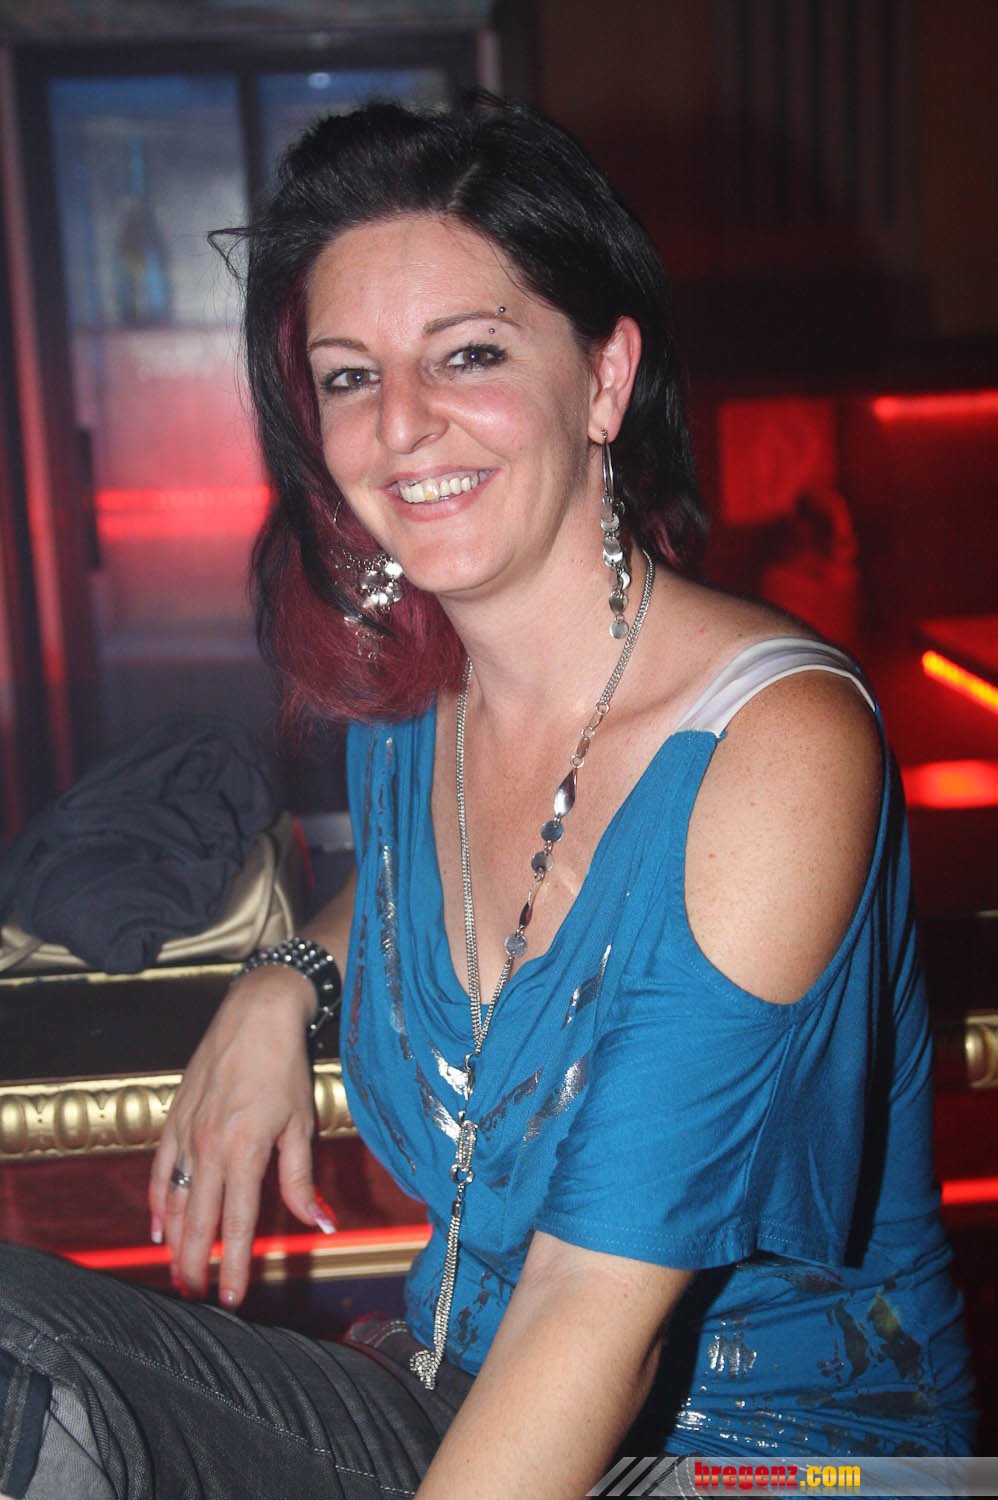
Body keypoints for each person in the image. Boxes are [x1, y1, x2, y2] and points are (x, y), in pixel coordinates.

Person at [0, 97, 975, 1499]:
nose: (400, 423)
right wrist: (285, 975)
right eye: (348, 376)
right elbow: (463, 901)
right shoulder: (415, 706)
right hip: (457, 1390)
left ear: (603, 379)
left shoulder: (778, 752)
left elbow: (592, 1312)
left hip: (762, 1458)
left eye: (467, 353)